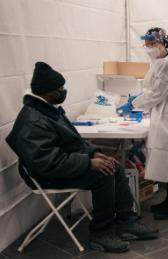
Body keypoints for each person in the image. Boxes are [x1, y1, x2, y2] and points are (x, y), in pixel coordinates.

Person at [6, 62, 158, 253]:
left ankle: (126, 221)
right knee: (103, 174)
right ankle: (101, 234)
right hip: (46, 175)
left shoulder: (48, 111)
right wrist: (88, 162)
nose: (63, 91)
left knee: (114, 165)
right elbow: (47, 162)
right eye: (58, 89)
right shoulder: (32, 121)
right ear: (45, 92)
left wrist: (94, 153)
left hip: (64, 164)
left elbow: (74, 143)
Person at [129, 27, 168, 220]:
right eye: (147, 45)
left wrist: (134, 104)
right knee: (167, 159)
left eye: (153, 44)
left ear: (164, 42)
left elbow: (157, 93)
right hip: (166, 113)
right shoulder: (162, 61)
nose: (149, 48)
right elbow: (154, 89)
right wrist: (139, 99)